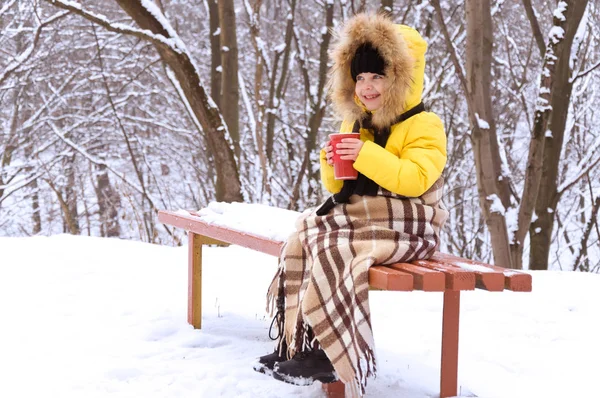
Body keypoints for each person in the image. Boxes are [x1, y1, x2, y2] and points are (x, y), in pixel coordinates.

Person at [253, 13, 448, 397]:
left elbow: (414, 180)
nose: (368, 86)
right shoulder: (357, 122)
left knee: (337, 248)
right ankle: (299, 343)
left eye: (378, 76)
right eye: (360, 77)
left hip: (410, 225)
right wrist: (332, 161)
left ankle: (331, 351)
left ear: (401, 78)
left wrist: (365, 153)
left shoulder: (426, 124)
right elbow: (340, 188)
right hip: (365, 217)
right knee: (306, 234)